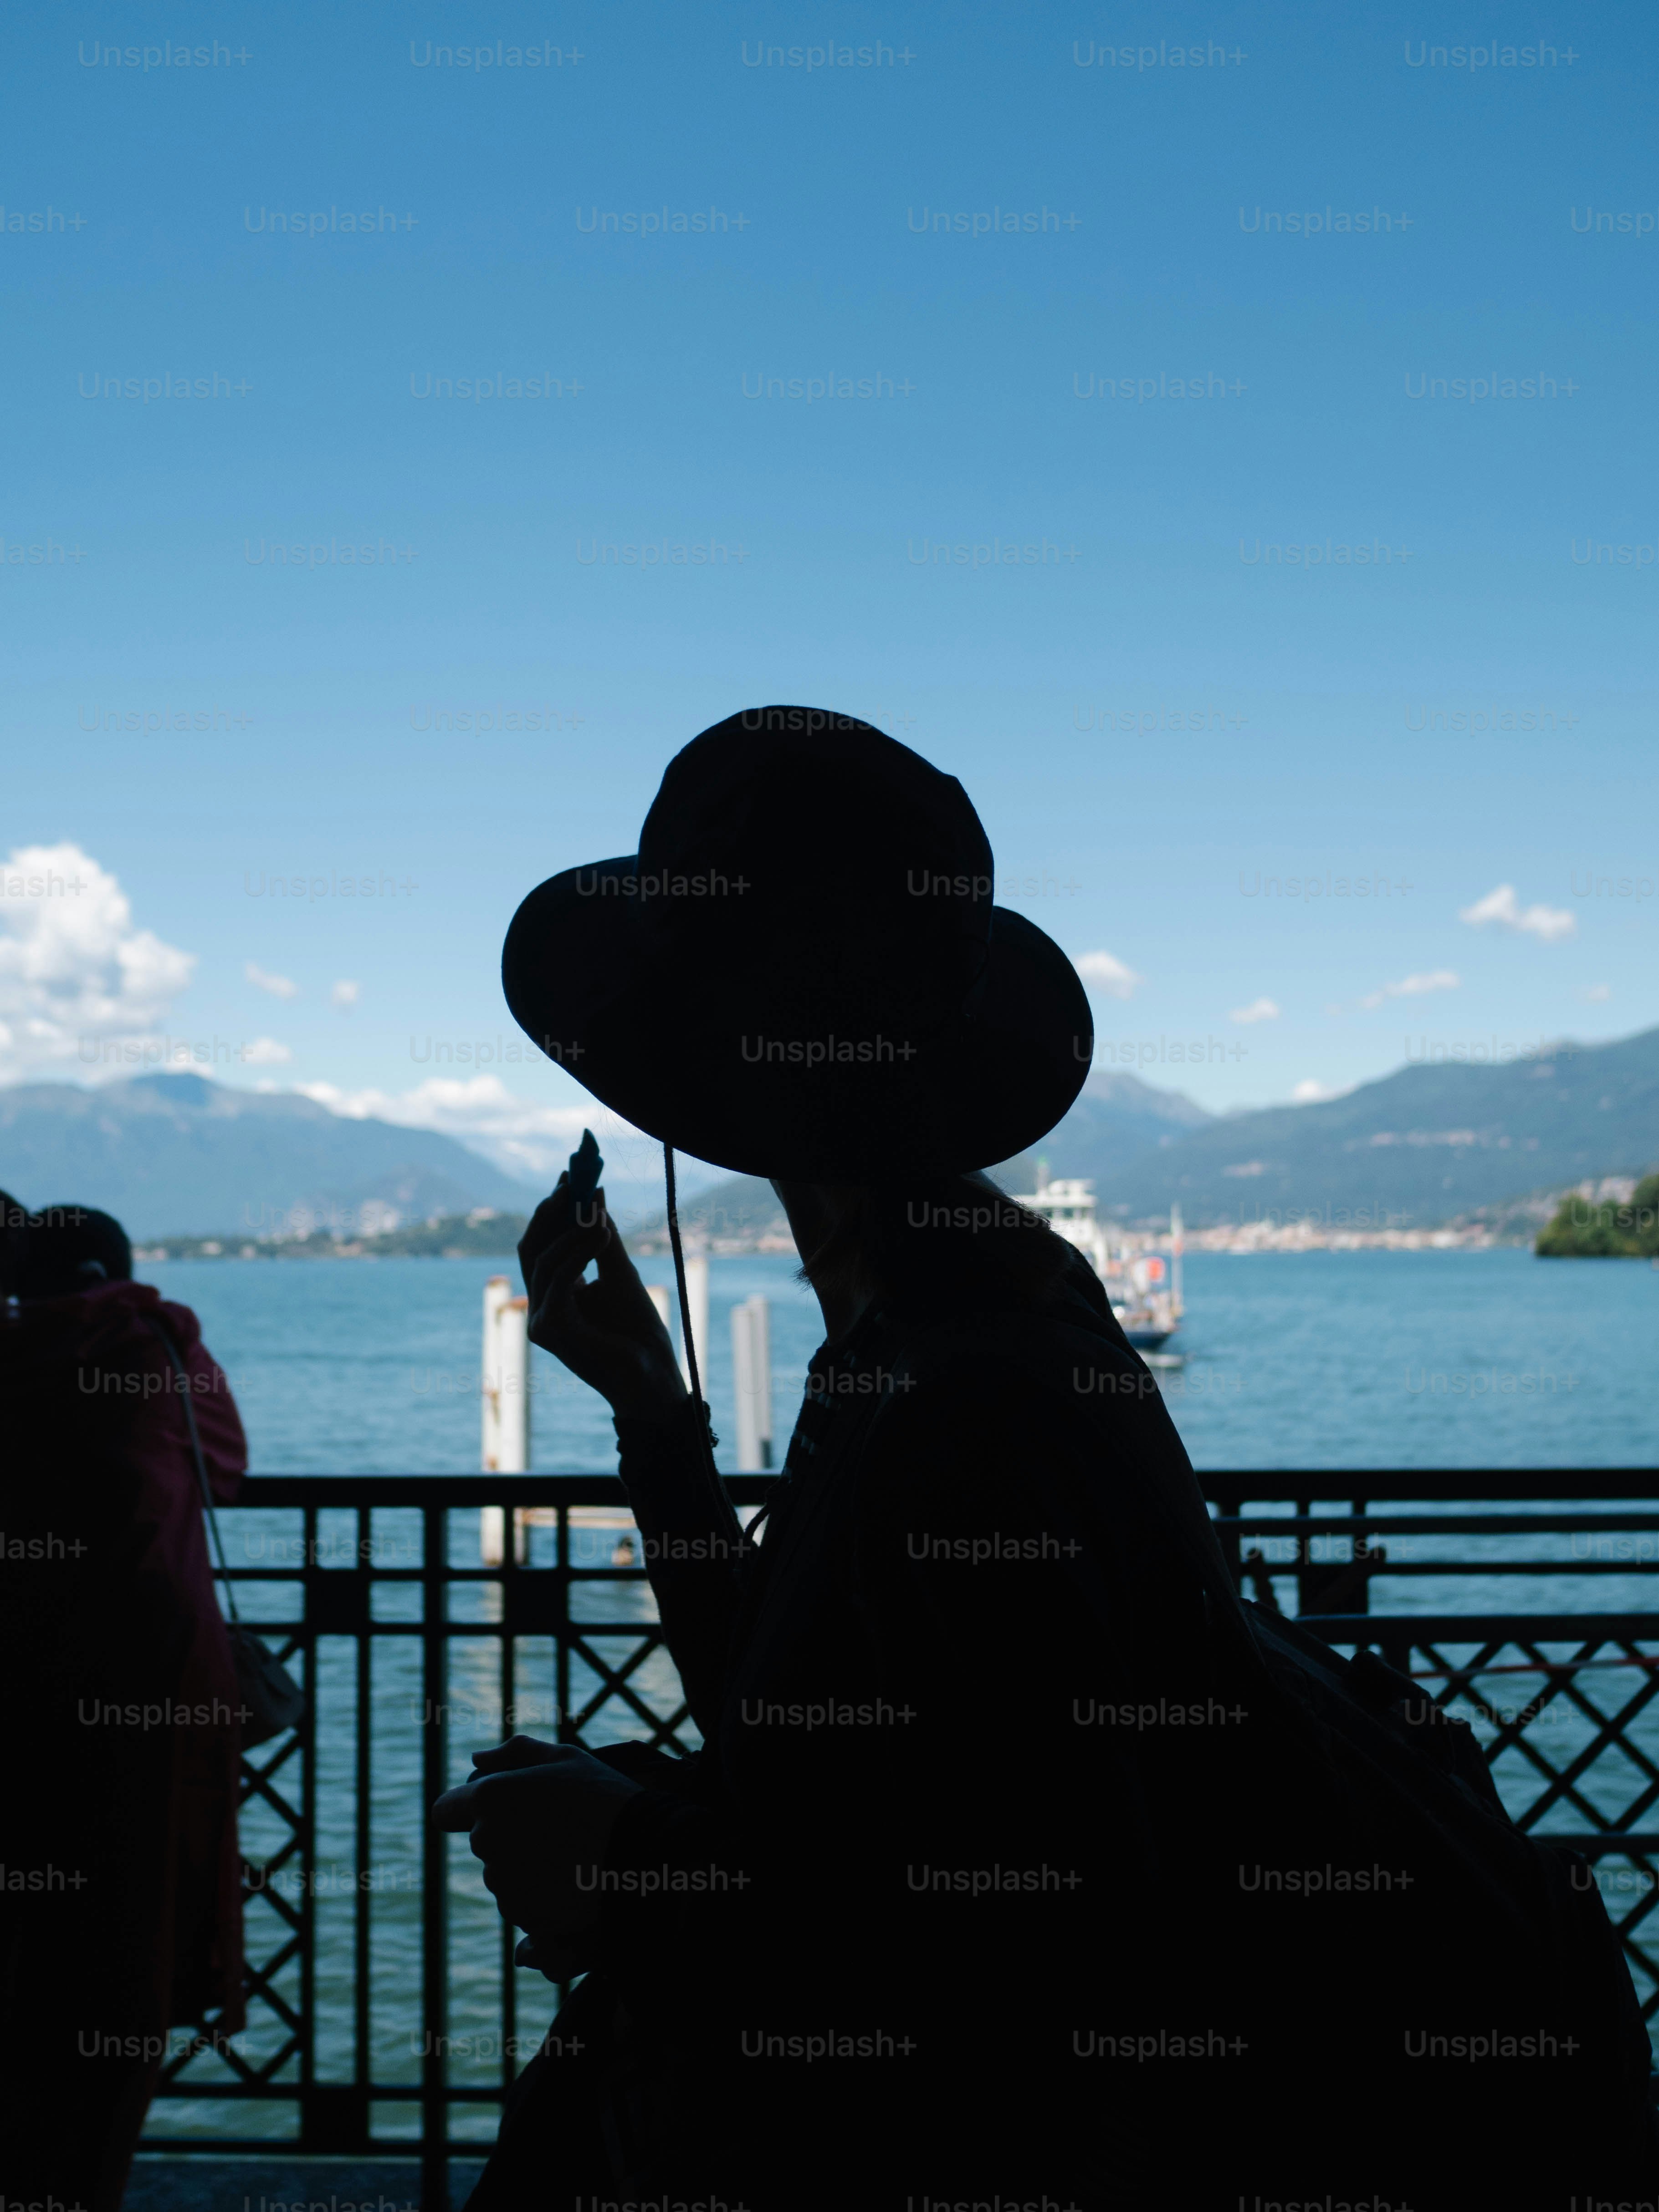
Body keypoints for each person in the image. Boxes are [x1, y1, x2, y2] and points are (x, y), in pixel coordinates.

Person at [436, 711, 1657, 2211]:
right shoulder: (950, 1327)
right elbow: (804, 1729)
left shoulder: (964, 1390)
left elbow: (1023, 1957)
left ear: (702, 1059)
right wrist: (650, 1413)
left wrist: (629, 1863)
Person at [0, 1200, 249, 2212]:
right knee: (136, 1930)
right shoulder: (162, 1343)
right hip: (164, 1676)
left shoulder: (16, 1358)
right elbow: (224, 1471)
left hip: (29, 1679)